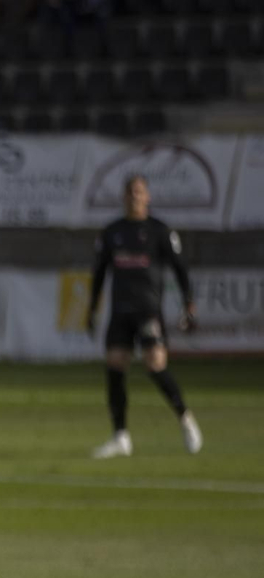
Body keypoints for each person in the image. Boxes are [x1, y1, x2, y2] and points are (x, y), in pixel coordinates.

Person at [86, 175, 202, 458]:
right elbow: (100, 272)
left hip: (148, 310)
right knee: (114, 365)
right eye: (130, 192)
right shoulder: (112, 232)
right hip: (120, 311)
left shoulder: (159, 231)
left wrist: (188, 302)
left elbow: (179, 268)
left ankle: (186, 419)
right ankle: (120, 437)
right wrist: (92, 307)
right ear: (123, 197)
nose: (134, 197)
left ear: (147, 196)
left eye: (139, 192)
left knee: (155, 365)